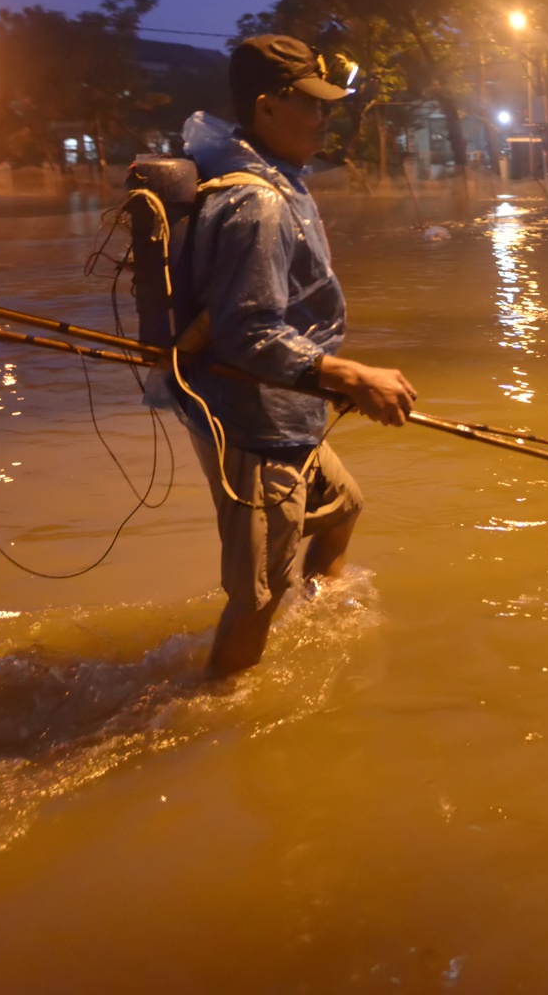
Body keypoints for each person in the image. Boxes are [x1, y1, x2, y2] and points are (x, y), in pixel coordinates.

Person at [167, 34, 417, 678]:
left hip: (283, 402)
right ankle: (215, 712)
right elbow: (248, 333)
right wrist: (349, 373)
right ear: (267, 108)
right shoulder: (259, 202)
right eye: (313, 105)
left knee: (345, 505)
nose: (326, 118)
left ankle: (317, 620)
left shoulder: (272, 179)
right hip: (254, 420)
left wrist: (322, 378)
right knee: (255, 596)